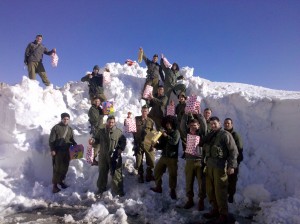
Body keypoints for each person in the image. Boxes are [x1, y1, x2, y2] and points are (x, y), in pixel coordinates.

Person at [201, 116, 238, 224]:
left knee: (220, 191)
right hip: (209, 166)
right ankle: (215, 209)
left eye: (215, 124)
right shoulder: (210, 135)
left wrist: (231, 166)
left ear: (219, 123)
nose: (213, 126)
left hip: (220, 167)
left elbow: (233, 151)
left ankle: (223, 214)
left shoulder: (225, 135)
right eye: (211, 124)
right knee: (210, 190)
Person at [89, 116, 127, 196]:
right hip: (103, 156)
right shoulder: (101, 131)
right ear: (107, 122)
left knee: (116, 174)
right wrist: (93, 140)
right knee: (102, 173)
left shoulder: (118, 132)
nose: (111, 124)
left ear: (115, 123)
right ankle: (101, 189)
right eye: (109, 122)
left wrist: (121, 149)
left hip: (114, 156)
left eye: (112, 122)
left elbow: (123, 141)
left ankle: (119, 191)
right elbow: (96, 139)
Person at [150, 116, 180, 200]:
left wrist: (166, 136)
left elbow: (174, 142)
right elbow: (162, 145)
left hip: (172, 157)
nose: (168, 125)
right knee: (157, 171)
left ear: (173, 124)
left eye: (169, 123)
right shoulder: (165, 133)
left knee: (172, 175)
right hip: (164, 156)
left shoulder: (176, 132)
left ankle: (172, 190)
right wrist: (155, 145)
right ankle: (158, 186)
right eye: (167, 123)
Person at [49, 113, 77, 193]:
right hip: (58, 151)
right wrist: (53, 149)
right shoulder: (56, 128)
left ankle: (61, 181)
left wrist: (74, 144)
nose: (66, 120)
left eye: (67, 119)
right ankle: (55, 185)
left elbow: (71, 139)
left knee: (65, 167)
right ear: (61, 119)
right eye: (64, 119)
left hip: (67, 151)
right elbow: (51, 140)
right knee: (57, 168)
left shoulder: (70, 129)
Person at [182, 119, 206, 211]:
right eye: (191, 125)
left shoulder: (202, 134)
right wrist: (186, 114)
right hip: (189, 161)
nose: (193, 127)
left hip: (199, 161)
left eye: (195, 125)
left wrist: (199, 114)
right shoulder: (187, 135)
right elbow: (182, 127)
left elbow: (204, 126)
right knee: (189, 181)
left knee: (201, 182)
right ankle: (190, 199)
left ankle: (201, 200)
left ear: (198, 126)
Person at [132, 105, 156, 183]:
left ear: (148, 112)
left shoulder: (151, 121)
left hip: (148, 144)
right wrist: (127, 121)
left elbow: (154, 133)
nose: (144, 113)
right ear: (141, 111)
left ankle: (149, 175)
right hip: (138, 143)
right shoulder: (136, 119)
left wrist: (153, 144)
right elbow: (129, 126)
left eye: (145, 111)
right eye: (143, 111)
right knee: (139, 161)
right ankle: (140, 175)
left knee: (151, 161)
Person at [224, 118, 243, 203]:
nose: (227, 124)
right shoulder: (223, 134)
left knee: (232, 179)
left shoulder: (235, 135)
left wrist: (234, 163)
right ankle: (225, 194)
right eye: (225, 123)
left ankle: (231, 195)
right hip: (224, 161)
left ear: (232, 124)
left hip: (233, 162)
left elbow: (239, 150)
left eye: (228, 123)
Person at [88, 96, 104, 165]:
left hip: (100, 128)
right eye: (96, 101)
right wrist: (102, 115)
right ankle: (93, 160)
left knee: (101, 143)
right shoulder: (92, 109)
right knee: (96, 144)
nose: (97, 102)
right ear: (93, 102)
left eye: (98, 101)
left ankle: (100, 158)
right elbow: (95, 121)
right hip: (96, 129)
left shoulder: (99, 108)